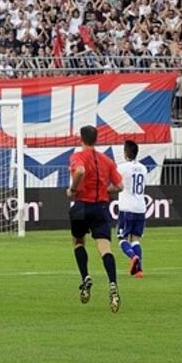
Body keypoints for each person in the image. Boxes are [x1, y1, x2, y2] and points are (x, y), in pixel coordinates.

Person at [67, 125, 124, 312]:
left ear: (81, 139)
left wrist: (73, 189)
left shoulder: (77, 157)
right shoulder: (106, 160)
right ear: (96, 139)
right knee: (105, 248)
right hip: (101, 207)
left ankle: (85, 277)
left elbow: (81, 171)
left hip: (82, 205)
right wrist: (105, 190)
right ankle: (113, 283)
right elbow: (120, 186)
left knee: (78, 242)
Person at [115, 140, 148, 278]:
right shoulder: (143, 168)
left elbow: (114, 181)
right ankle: (138, 270)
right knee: (135, 239)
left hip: (126, 208)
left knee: (122, 239)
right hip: (140, 208)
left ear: (126, 153)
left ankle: (133, 257)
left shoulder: (122, 168)